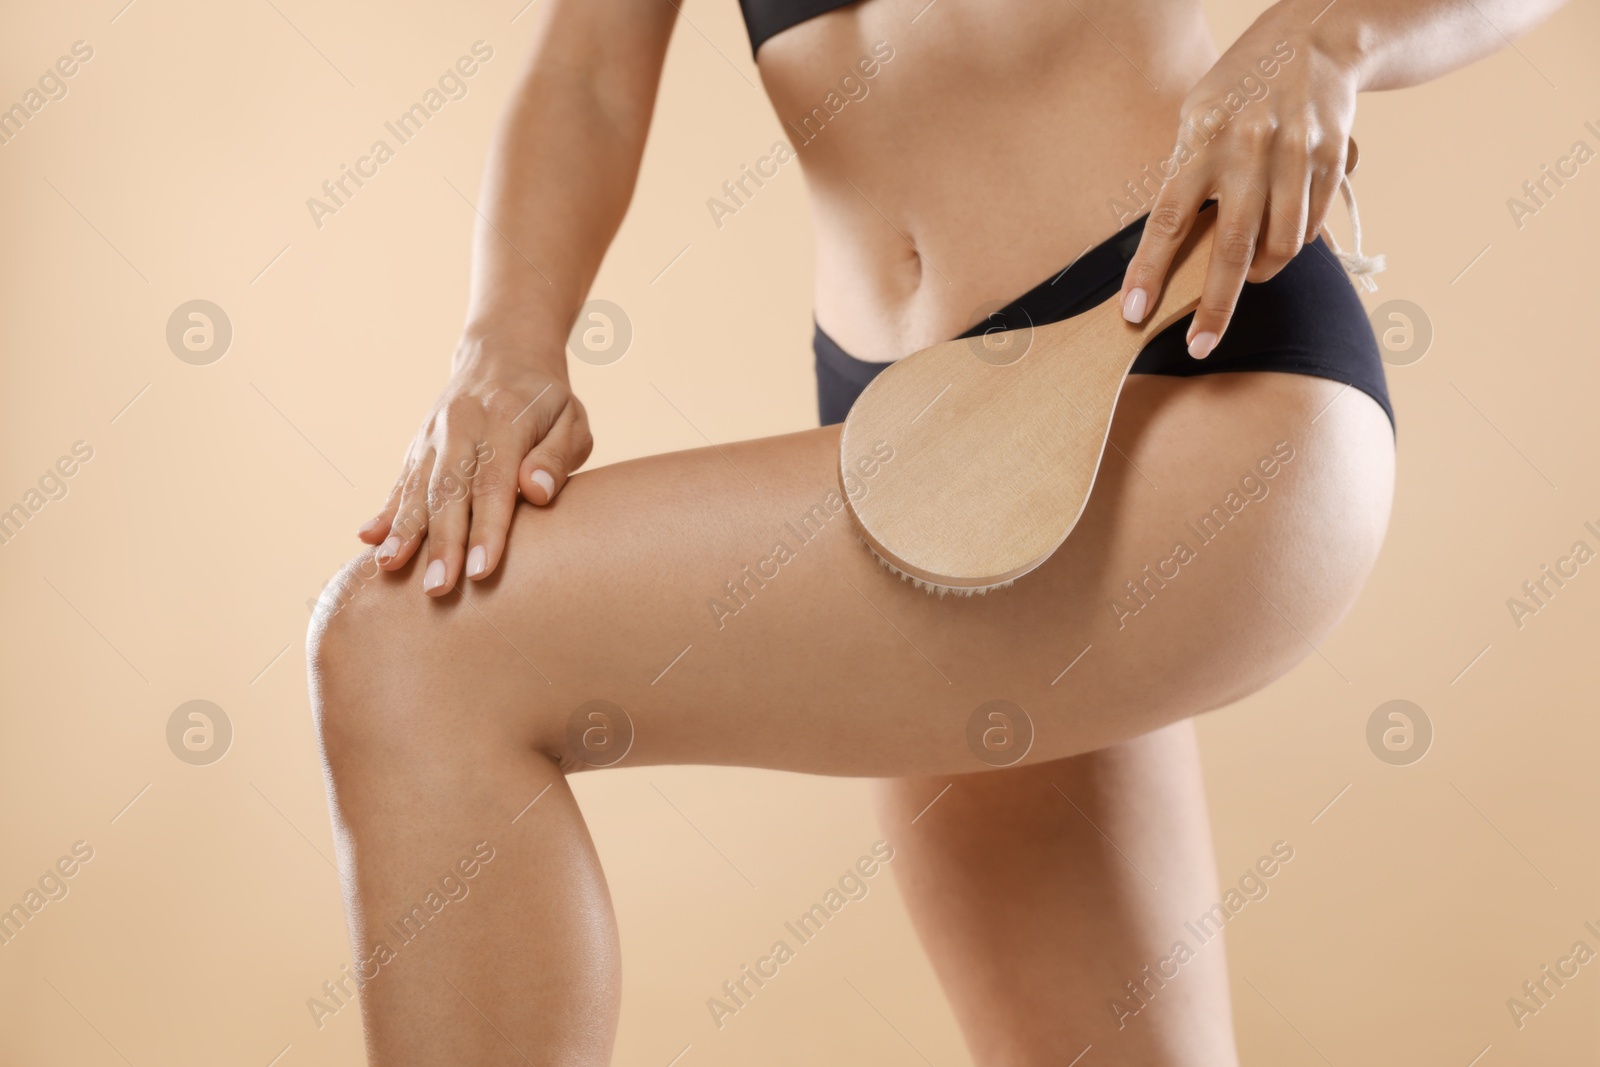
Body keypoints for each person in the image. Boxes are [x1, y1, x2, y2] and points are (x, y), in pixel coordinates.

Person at [307, 0, 1562, 1061]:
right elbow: (584, 72)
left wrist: (1328, 37)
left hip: (1173, 366)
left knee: (413, 648)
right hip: (910, 436)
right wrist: (506, 342)